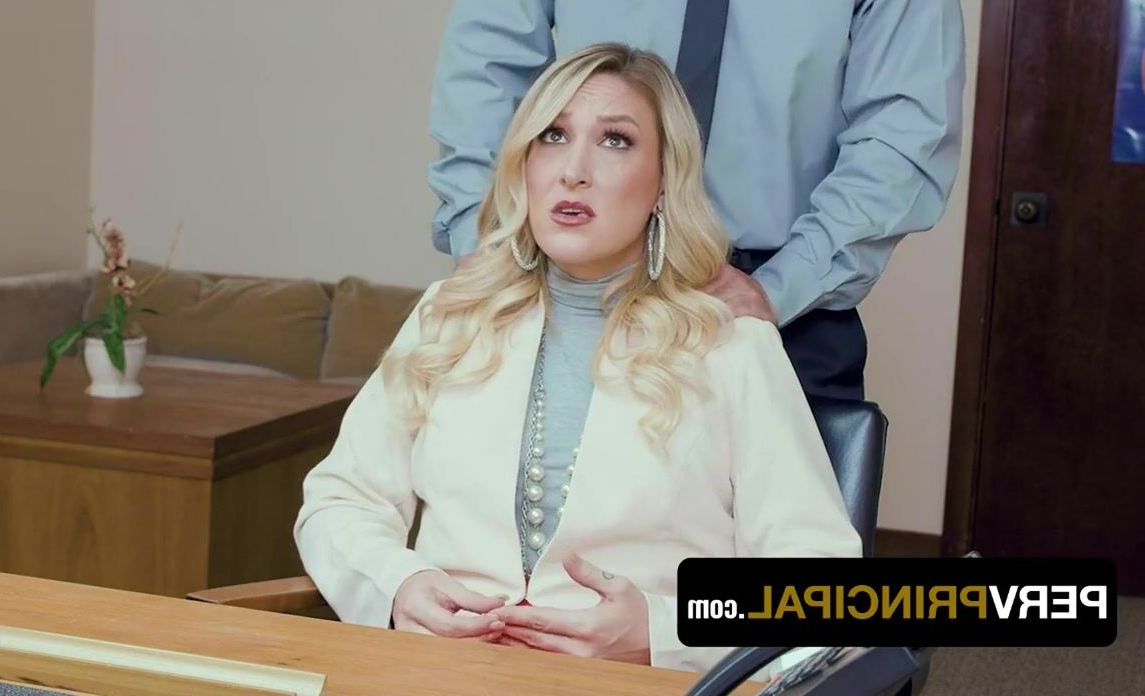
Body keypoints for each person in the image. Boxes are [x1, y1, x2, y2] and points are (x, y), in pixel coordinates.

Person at [293, 43, 860, 673]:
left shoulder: (733, 347)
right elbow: (339, 502)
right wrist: (398, 584)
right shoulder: (448, 318)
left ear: (664, 184)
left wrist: (662, 631)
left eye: (615, 141)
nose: (573, 170)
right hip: (439, 677)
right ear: (524, 166)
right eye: (553, 136)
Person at [426, 0, 966, 400]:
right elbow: (486, 69)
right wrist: (484, 245)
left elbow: (903, 130)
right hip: (570, 290)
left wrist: (783, 287)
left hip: (780, 303)